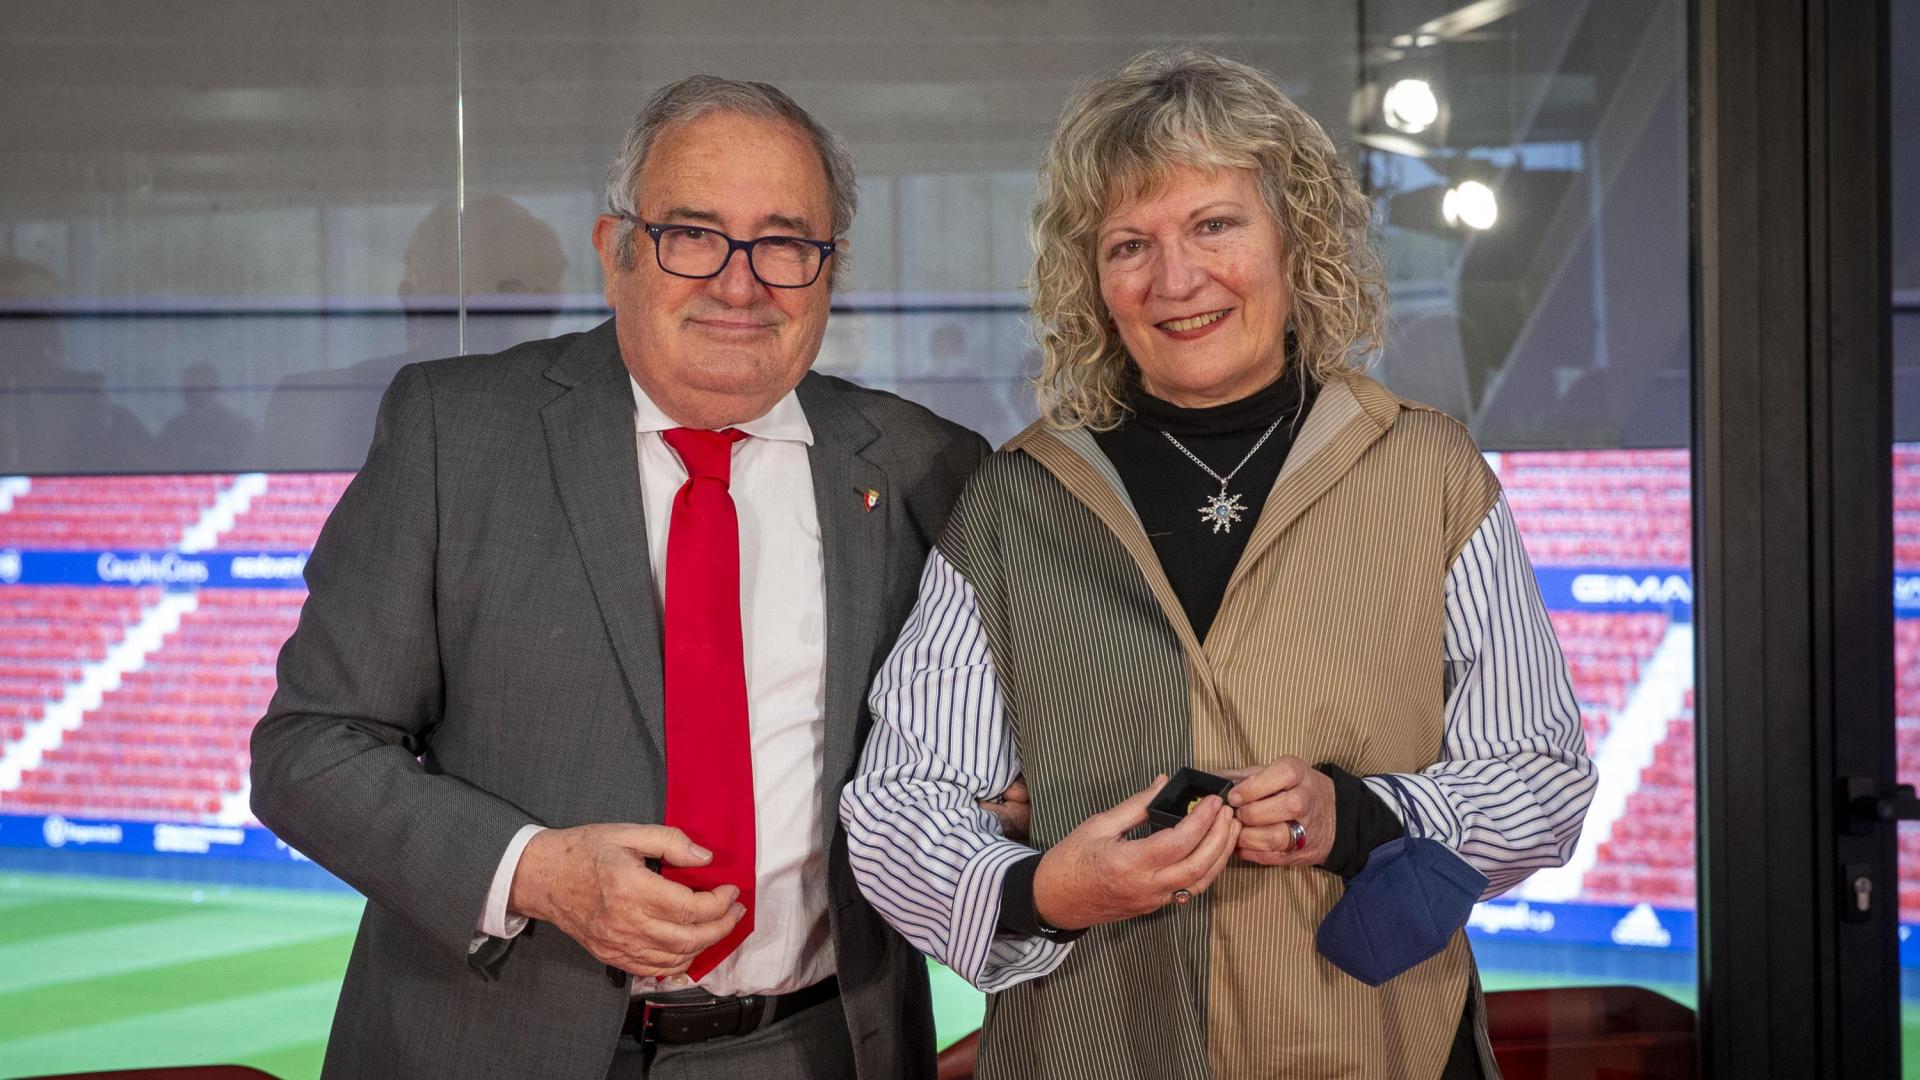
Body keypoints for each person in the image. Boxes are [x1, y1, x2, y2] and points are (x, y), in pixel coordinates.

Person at [842, 48, 1594, 1079]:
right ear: (1092, 280)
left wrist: (1365, 815)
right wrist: (1043, 890)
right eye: (1128, 244)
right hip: (1099, 1044)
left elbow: (1543, 780)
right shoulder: (1018, 500)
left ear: (1297, 236)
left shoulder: (1430, 471)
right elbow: (898, 803)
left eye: (1215, 225)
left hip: (1375, 1045)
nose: (1175, 280)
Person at [250, 75, 986, 1080]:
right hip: (490, 1047)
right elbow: (310, 750)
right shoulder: (453, 433)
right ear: (616, 252)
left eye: (783, 242)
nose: (740, 282)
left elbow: (976, 764)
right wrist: (534, 873)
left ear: (830, 268)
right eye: (693, 233)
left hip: (819, 1047)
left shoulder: (923, 465)